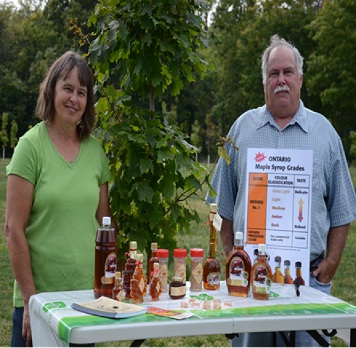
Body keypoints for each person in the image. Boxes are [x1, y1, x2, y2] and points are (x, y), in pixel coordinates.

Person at [206, 34, 356, 346]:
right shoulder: (242, 130)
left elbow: (342, 210)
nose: (281, 81)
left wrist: (329, 267)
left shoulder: (325, 134)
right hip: (249, 281)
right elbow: (220, 205)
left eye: (288, 72)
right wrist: (233, 257)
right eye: (274, 74)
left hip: (308, 281)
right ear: (264, 82)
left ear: (300, 79)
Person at [5, 51, 117, 347]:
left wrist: (110, 280)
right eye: (67, 88)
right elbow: (13, 230)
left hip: (85, 300)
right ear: (52, 89)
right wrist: (31, 302)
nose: (74, 99)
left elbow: (104, 223)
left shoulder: (96, 152)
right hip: (41, 300)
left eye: (82, 93)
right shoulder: (29, 147)